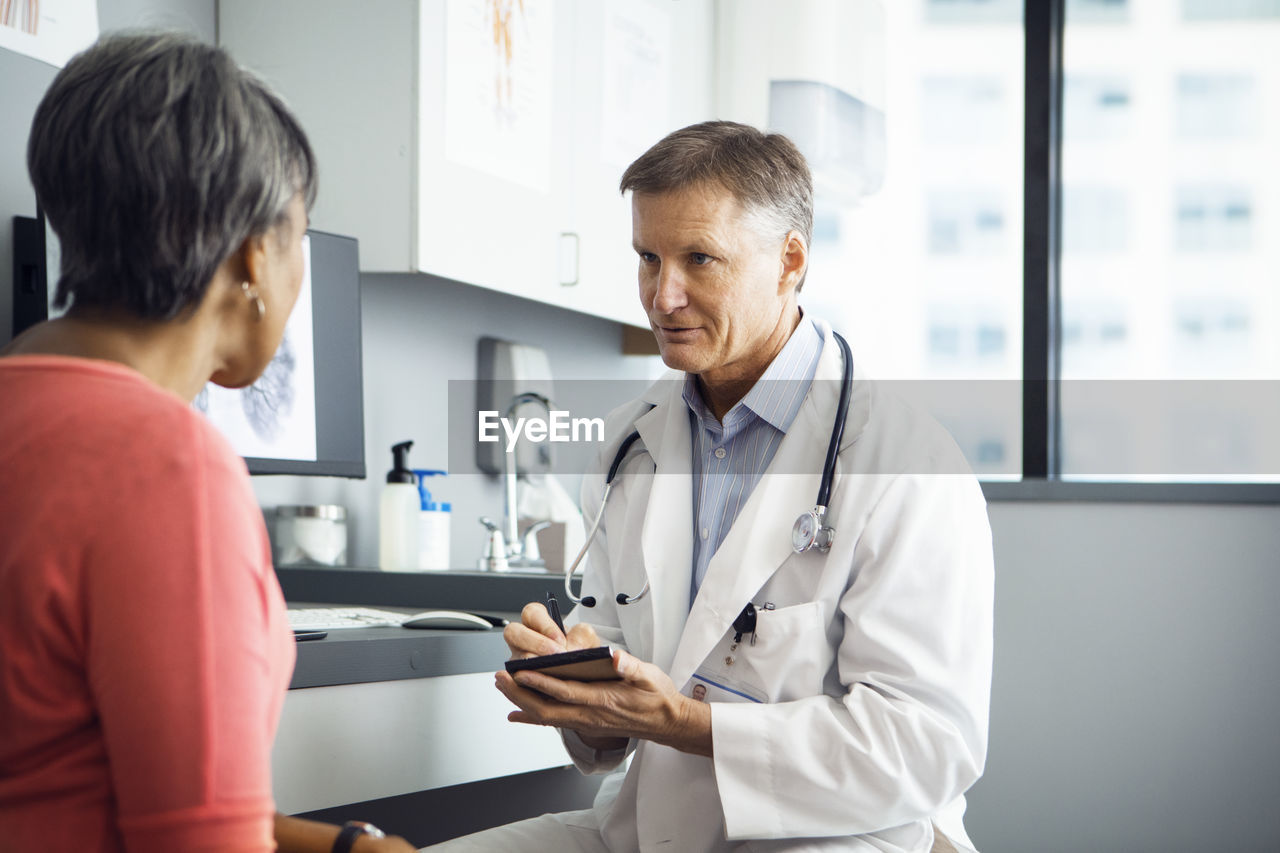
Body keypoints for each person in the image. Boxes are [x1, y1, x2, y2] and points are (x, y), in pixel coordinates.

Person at [432, 122, 995, 852]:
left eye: (700, 258)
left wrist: (686, 724)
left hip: (839, 839)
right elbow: (620, 693)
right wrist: (575, 688)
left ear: (790, 259)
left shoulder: (907, 464)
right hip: (646, 827)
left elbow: (924, 746)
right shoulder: (629, 442)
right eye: (647, 258)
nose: (663, 296)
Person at [0, 33, 413, 853]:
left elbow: (62, 775)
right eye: (302, 235)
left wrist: (341, 845)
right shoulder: (166, 466)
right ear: (253, 256)